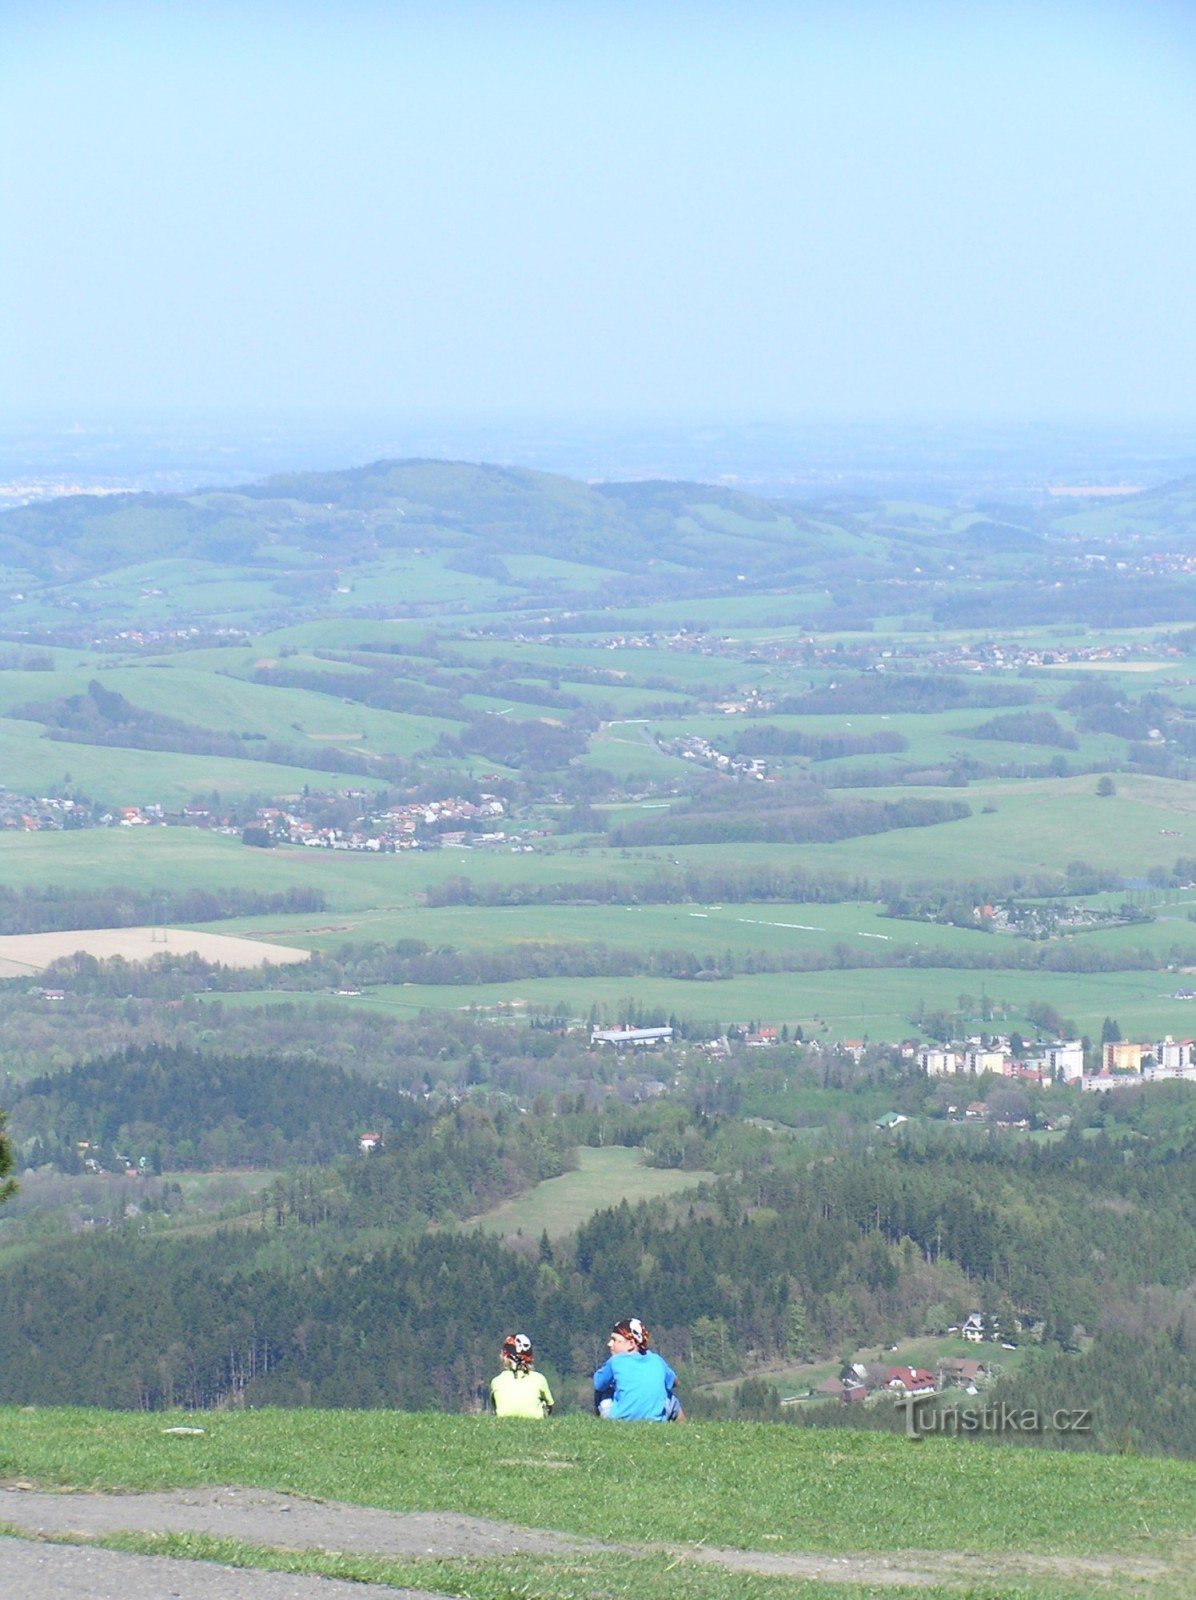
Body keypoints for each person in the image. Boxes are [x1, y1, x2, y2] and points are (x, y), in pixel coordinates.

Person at [592, 1316, 683, 1421]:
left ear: (631, 1344)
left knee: (604, 1391)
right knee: (670, 1397)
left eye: (615, 1340)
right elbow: (675, 1382)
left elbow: (598, 1383)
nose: (609, 1344)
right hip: (655, 1421)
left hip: (619, 1420)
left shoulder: (615, 1361)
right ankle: (687, 1429)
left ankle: (602, 1426)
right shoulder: (657, 1360)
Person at [489, 1333, 554, 1418]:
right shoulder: (539, 1379)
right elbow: (550, 1405)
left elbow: (494, 1404)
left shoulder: (497, 1381)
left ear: (505, 1357)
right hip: (534, 1420)